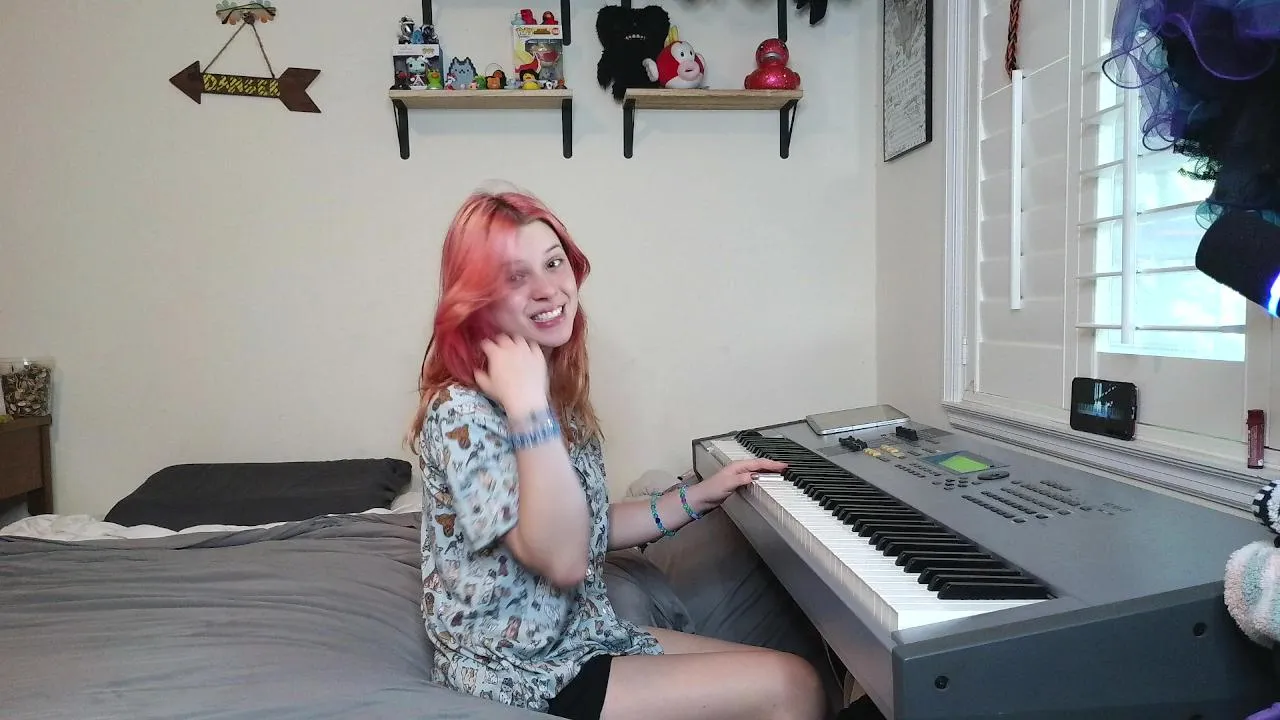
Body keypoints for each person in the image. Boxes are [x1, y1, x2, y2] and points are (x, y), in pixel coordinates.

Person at [407, 186, 831, 720]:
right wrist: (528, 408)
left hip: (583, 634)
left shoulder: (552, 388)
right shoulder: (462, 412)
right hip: (520, 672)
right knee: (792, 686)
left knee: (793, 670)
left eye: (553, 263)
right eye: (515, 277)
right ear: (478, 299)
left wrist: (698, 497)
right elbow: (563, 559)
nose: (548, 289)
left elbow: (583, 525)